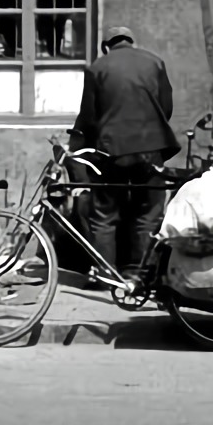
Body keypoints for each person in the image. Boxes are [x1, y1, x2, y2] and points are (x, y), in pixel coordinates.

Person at [72, 27, 180, 283]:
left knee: (105, 213)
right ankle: (141, 275)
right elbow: (166, 106)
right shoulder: (155, 62)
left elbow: (89, 115)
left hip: (113, 149)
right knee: (148, 211)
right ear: (132, 43)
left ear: (106, 46)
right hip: (151, 148)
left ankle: (105, 275)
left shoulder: (98, 67)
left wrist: (82, 146)